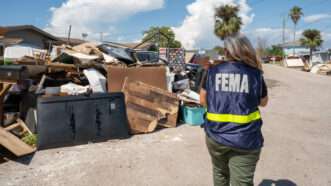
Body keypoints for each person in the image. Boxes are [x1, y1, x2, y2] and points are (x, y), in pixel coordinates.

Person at [200, 34, 268, 186]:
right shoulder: (255, 73)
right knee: (242, 181)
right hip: (246, 138)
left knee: (219, 173)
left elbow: (202, 100)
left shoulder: (212, 71)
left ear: (226, 51)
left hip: (215, 135)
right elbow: (264, 102)